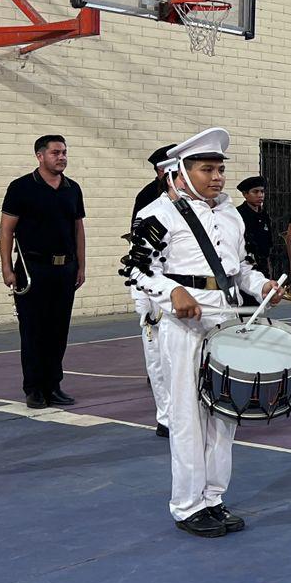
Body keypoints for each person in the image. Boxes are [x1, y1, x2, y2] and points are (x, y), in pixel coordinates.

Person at [124, 128, 283, 537]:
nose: (217, 177)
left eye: (220, 169)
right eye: (206, 169)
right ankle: (187, 504)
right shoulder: (157, 213)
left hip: (227, 320)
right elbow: (137, 269)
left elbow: (240, 267)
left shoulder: (231, 213)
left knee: (224, 413)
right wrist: (172, 290)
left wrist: (261, 284)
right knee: (188, 416)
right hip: (185, 326)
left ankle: (213, 496)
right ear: (182, 171)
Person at [0, 135, 84, 410]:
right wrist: (7, 267)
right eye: (56, 153)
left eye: (64, 153)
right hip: (32, 268)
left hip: (65, 269)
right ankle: (34, 388)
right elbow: (6, 229)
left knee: (58, 330)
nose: (61, 157)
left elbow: (78, 229)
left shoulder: (73, 188)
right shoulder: (21, 187)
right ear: (40, 156)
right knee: (33, 330)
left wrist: (81, 265)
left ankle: (53, 385)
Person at [132, 146, 175, 437]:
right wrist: (144, 299)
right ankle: (166, 417)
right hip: (157, 287)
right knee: (158, 359)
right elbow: (138, 256)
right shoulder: (149, 201)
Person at [236, 175, 274, 278]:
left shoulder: (264, 215)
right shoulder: (238, 214)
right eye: (255, 192)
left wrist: (269, 270)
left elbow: (267, 245)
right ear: (245, 194)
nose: (260, 195)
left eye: (262, 192)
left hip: (263, 267)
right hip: (245, 268)